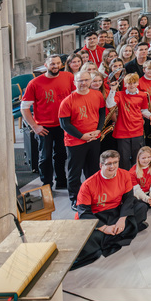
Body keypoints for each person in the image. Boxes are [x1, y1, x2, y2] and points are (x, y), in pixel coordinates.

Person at [71, 150, 147, 270]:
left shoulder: (125, 175)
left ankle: (116, 230)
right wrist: (105, 228)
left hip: (115, 210)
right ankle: (117, 232)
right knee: (86, 240)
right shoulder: (88, 184)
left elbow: (128, 199)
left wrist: (122, 219)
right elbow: (84, 212)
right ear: (101, 165)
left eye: (115, 162)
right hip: (97, 214)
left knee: (141, 208)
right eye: (109, 164)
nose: (113, 166)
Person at [21, 54, 73, 190]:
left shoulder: (68, 77)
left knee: (61, 154)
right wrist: (34, 126)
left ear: (61, 65)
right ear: (46, 65)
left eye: (57, 63)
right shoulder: (35, 83)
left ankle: (61, 180)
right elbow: (24, 107)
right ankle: (46, 184)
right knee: (45, 156)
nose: (55, 66)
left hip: (63, 124)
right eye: (52, 64)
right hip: (44, 126)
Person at [58, 70, 107, 209]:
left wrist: (99, 129)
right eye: (80, 80)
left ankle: (92, 195)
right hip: (75, 141)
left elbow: (102, 112)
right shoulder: (67, 101)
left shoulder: (97, 95)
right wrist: (81, 136)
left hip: (94, 138)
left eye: (86, 80)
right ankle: (75, 199)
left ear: (90, 81)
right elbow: (64, 124)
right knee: (75, 172)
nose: (83, 83)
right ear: (75, 83)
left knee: (92, 170)